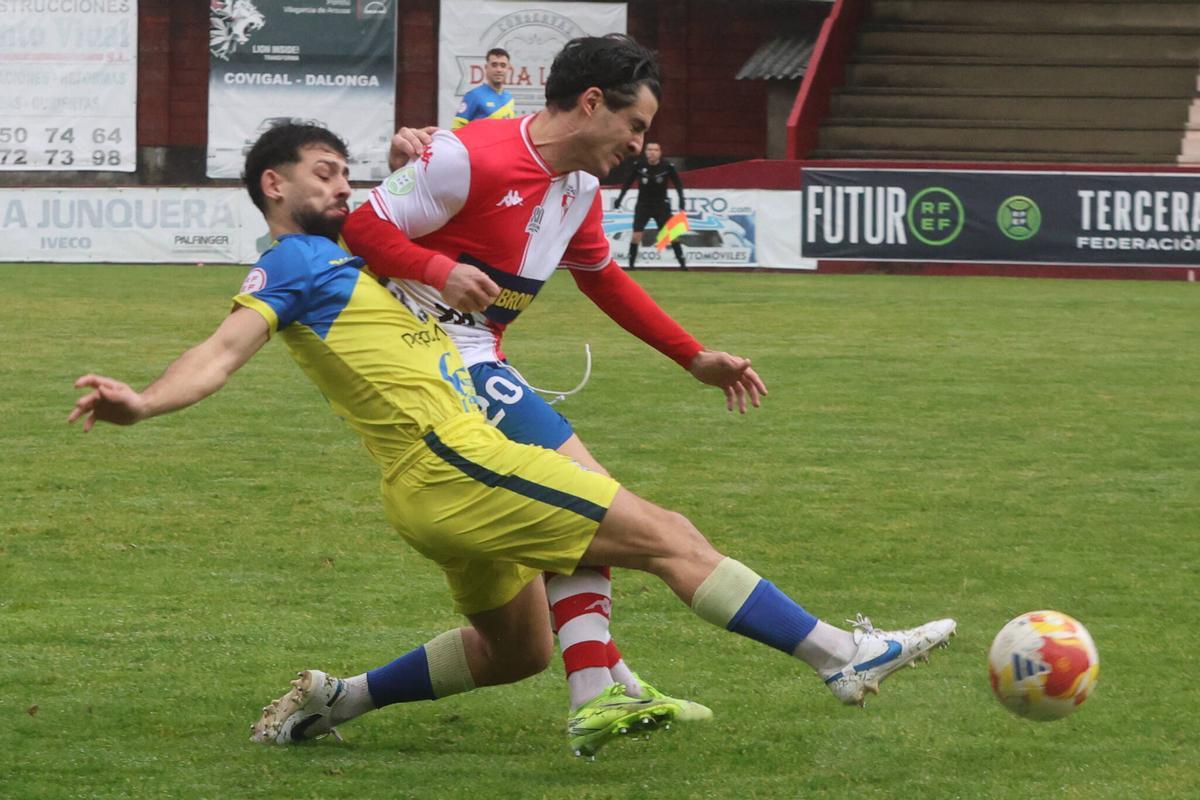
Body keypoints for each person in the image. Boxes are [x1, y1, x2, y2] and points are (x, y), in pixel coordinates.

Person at [68, 122, 957, 760]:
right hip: (461, 467)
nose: (345, 189)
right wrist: (144, 402)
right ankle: (842, 655)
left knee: (519, 652)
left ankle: (336, 700)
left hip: (426, 495)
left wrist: (412, 154)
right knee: (668, 536)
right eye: (326, 174)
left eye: (347, 174)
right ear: (275, 186)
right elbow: (223, 352)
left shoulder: (354, 260)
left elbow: (399, 221)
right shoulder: (297, 263)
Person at [343, 35, 762, 723]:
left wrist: (692, 356)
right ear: (592, 102)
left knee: (537, 602)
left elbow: (602, 277)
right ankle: (831, 655)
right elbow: (363, 227)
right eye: (636, 125)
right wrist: (437, 270)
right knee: (590, 503)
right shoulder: (465, 154)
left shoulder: (580, 189)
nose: (639, 142)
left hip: (480, 362)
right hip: (431, 364)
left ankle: (609, 687)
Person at [613, 141, 688, 270]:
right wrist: (620, 198)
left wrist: (682, 200)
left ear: (660, 153)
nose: (652, 152)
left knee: (672, 235)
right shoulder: (639, 165)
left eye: (655, 150)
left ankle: (682, 265)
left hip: (661, 205)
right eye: (649, 150)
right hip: (643, 205)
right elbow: (628, 183)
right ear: (646, 152)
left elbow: (678, 184)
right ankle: (631, 265)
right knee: (636, 235)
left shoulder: (667, 166)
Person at [453, 48, 515, 129]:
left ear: (508, 69)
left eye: (503, 65)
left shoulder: (509, 98)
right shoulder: (474, 96)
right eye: (494, 65)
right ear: (486, 67)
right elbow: (456, 130)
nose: (499, 70)